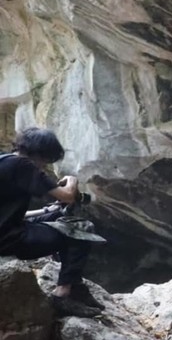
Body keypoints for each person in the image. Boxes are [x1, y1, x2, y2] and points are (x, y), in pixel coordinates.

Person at [0, 128, 100, 316]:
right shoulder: (23, 165)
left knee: (57, 215)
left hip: (7, 231)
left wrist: (47, 211)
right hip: (9, 240)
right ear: (40, 154)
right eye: (46, 160)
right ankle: (63, 295)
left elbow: (11, 214)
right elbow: (69, 196)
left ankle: (76, 285)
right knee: (82, 228)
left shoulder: (5, 161)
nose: (44, 166)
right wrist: (72, 181)